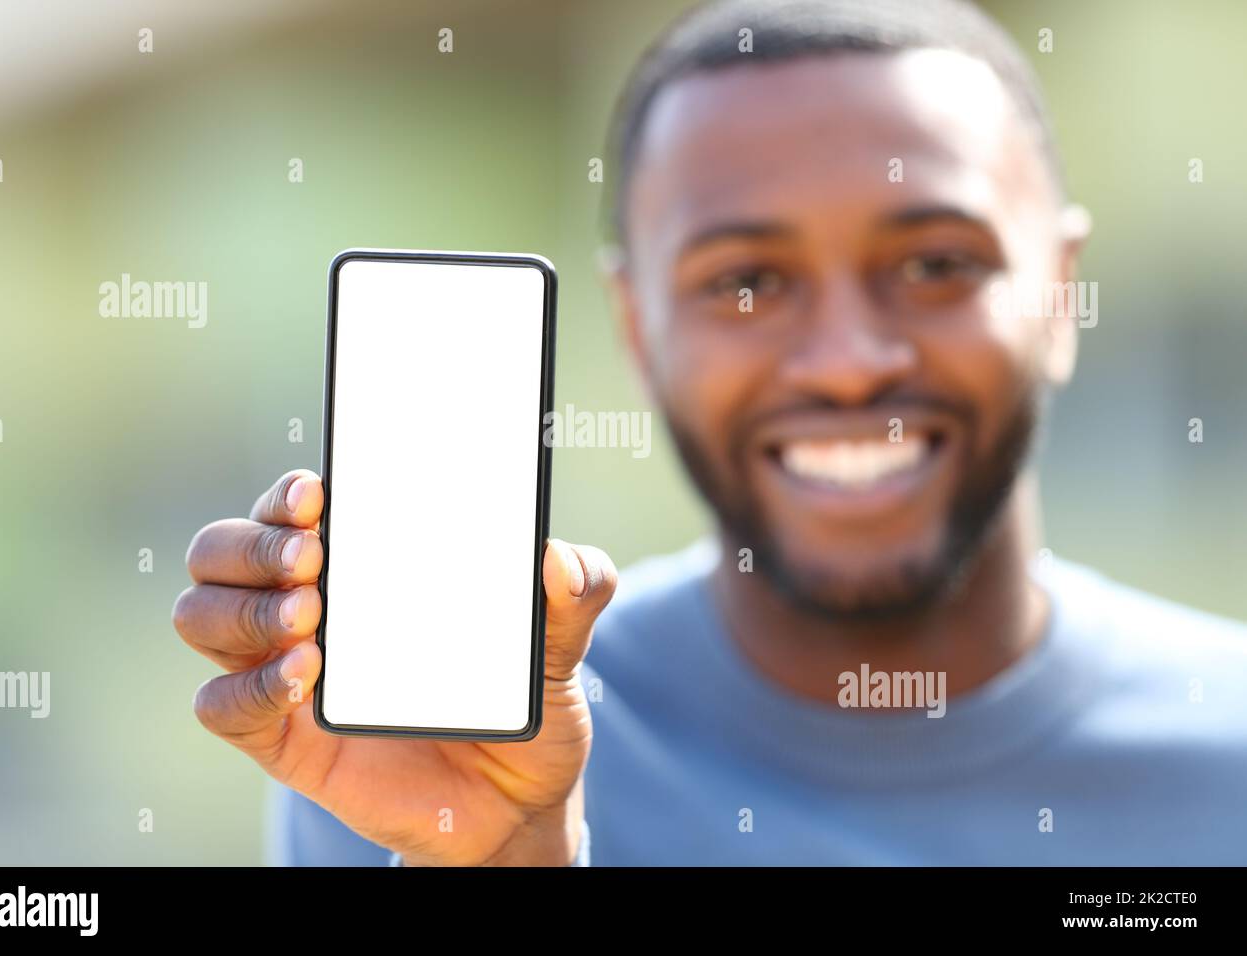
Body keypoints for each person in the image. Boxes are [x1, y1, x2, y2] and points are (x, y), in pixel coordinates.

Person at [172, 0, 1247, 866]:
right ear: (638, 329)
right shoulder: (454, 749)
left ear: (1059, 293)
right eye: (744, 283)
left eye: (935, 264)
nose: (846, 358)